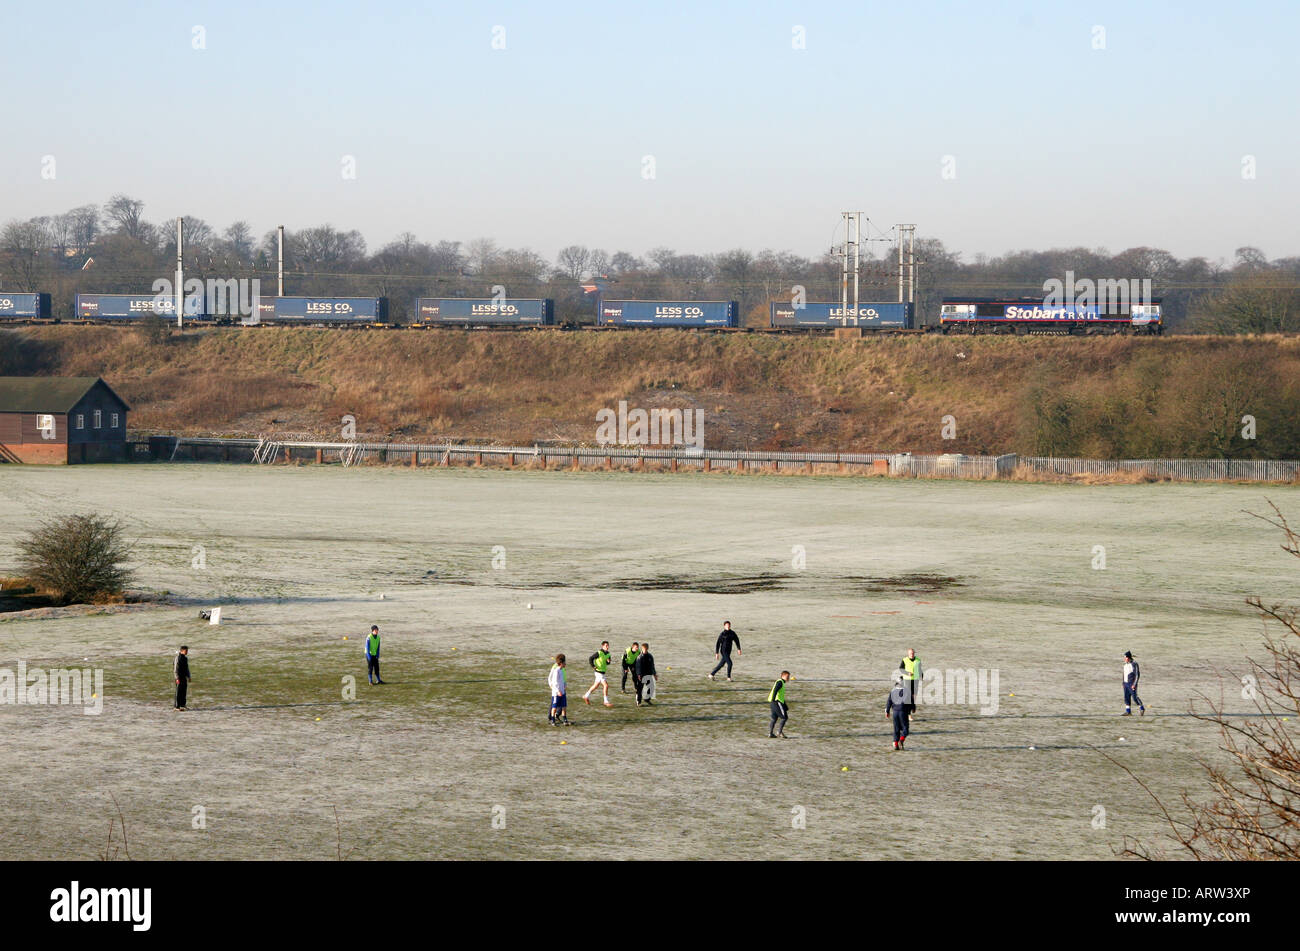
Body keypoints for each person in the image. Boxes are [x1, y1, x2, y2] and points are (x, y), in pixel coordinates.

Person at [584, 641, 614, 707]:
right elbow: (591, 658)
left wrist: (608, 662)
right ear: (602, 646)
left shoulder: (608, 654)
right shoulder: (599, 652)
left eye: (608, 645)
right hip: (598, 672)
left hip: (602, 672)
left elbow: (608, 663)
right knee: (606, 685)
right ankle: (606, 701)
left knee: (596, 685)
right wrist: (593, 666)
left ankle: (586, 696)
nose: (607, 647)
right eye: (606, 645)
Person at [886, 671, 911, 750]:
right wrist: (911, 710)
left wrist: (887, 711)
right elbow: (910, 702)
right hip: (903, 712)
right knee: (905, 729)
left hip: (895, 713)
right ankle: (901, 740)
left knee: (896, 729)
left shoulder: (893, 691)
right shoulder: (906, 691)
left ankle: (895, 744)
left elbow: (889, 701)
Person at [900, 648, 922, 721]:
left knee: (914, 697)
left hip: (915, 680)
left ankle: (913, 706)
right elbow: (901, 669)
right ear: (908, 654)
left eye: (913, 653)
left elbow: (919, 669)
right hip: (907, 680)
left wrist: (921, 676)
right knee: (908, 698)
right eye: (910, 653)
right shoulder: (905, 660)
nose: (912, 655)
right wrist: (907, 673)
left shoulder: (918, 660)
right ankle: (909, 715)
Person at [767, 670, 791, 738]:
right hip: (776, 702)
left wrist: (785, 706)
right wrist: (774, 699)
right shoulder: (780, 682)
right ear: (782, 676)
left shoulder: (781, 682)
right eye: (787, 676)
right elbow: (775, 690)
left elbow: (780, 695)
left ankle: (770, 733)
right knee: (784, 717)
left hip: (773, 702)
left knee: (774, 718)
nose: (788, 678)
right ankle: (779, 732)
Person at [548, 654, 570, 725]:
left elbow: (562, 680)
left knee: (564, 706)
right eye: (564, 662)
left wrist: (564, 686)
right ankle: (552, 720)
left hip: (562, 691)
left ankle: (565, 719)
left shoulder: (561, 670)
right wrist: (558, 691)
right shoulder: (556, 670)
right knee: (554, 707)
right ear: (561, 663)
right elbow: (554, 682)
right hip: (556, 693)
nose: (565, 664)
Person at [1122, 650, 1145, 716]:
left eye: (1125, 657)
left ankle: (1142, 708)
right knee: (1126, 698)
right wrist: (1123, 683)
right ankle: (1128, 711)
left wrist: (1134, 684)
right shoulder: (1125, 665)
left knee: (1135, 698)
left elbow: (1137, 675)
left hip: (1131, 684)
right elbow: (1124, 674)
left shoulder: (1134, 664)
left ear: (1128, 657)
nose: (1124, 659)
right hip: (1126, 684)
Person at [635, 642, 657, 706]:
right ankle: (638, 702)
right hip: (641, 675)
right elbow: (638, 667)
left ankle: (647, 699)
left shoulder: (650, 656)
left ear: (648, 649)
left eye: (646, 649)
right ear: (642, 649)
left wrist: (654, 674)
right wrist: (639, 675)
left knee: (651, 687)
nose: (645, 650)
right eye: (644, 649)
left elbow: (652, 665)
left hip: (648, 674)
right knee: (640, 689)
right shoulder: (639, 657)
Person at [173, 645, 191, 711]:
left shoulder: (185, 658)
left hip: (184, 677)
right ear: (182, 651)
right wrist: (177, 678)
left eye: (187, 651)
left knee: (184, 691)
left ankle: (183, 705)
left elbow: (187, 668)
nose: (187, 652)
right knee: (178, 692)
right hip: (179, 677)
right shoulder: (177, 658)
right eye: (186, 651)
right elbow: (175, 669)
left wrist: (189, 676)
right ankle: (176, 706)